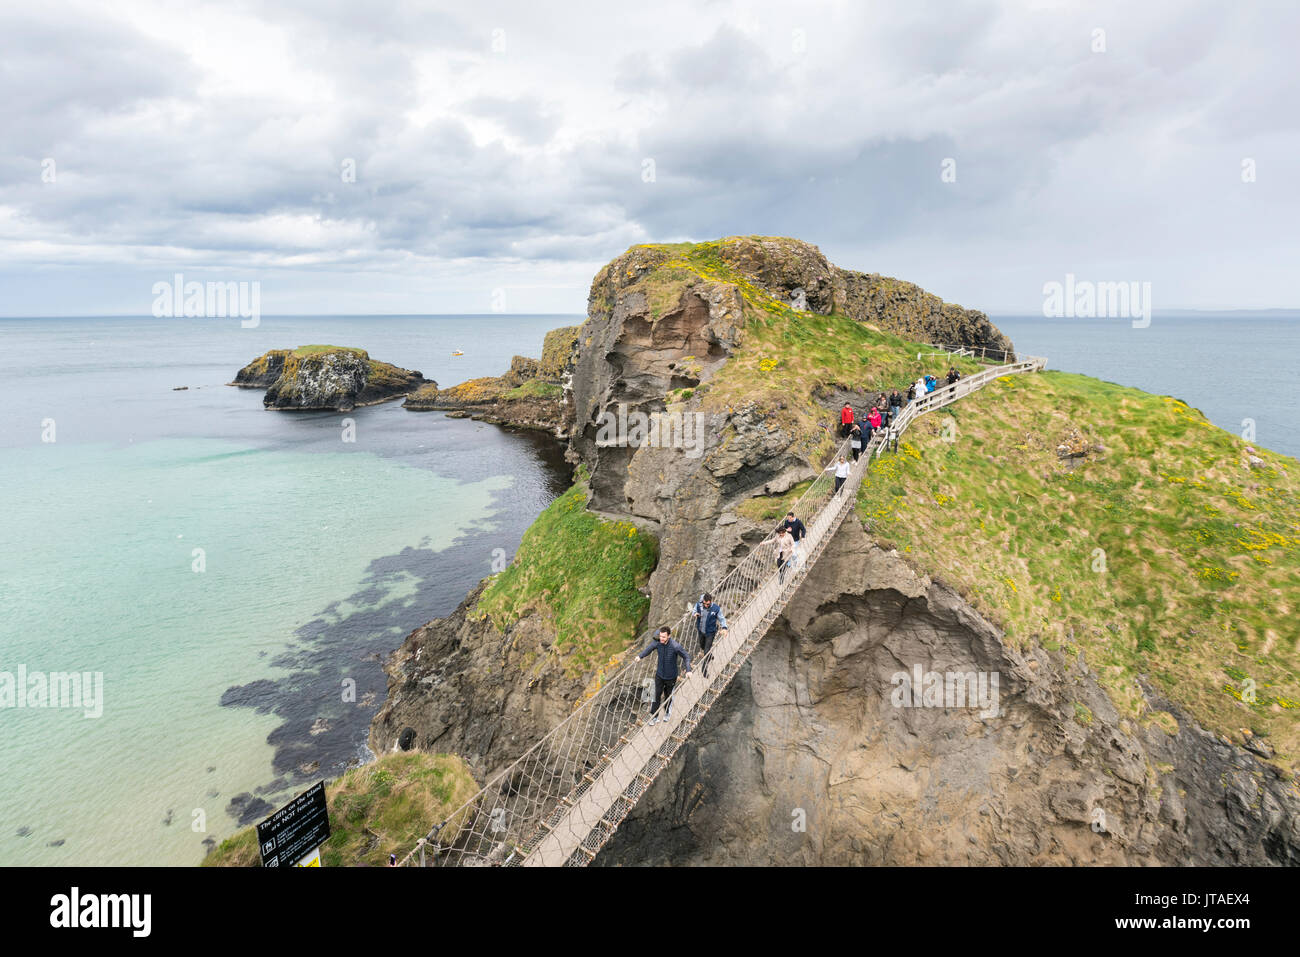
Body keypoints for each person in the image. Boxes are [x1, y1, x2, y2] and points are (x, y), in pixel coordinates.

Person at [637, 626, 692, 724]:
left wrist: (688, 670)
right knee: (656, 695)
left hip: (671, 677)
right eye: (660, 636)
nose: (661, 639)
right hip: (659, 675)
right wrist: (640, 656)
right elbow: (649, 649)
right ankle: (654, 717)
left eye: (664, 637)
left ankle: (667, 713)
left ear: (669, 636)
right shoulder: (658, 643)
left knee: (668, 696)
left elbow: (686, 656)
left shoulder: (675, 646)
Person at [693, 593, 728, 679]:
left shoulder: (716, 609)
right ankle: (710, 656)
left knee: (706, 650)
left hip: (710, 633)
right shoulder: (698, 605)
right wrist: (695, 614)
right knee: (702, 646)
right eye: (704, 603)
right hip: (701, 631)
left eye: (707, 604)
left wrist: (724, 628)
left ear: (711, 602)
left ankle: (704, 670)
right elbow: (693, 611)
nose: (706, 605)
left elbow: (722, 619)